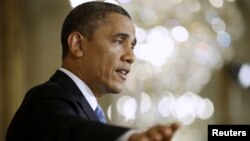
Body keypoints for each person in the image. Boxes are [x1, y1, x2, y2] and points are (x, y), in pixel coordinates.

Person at [6, 1, 180, 141]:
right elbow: (68, 131)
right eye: (119, 41)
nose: (131, 57)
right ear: (77, 45)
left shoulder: (90, 112)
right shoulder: (45, 99)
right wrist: (128, 137)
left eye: (132, 46)